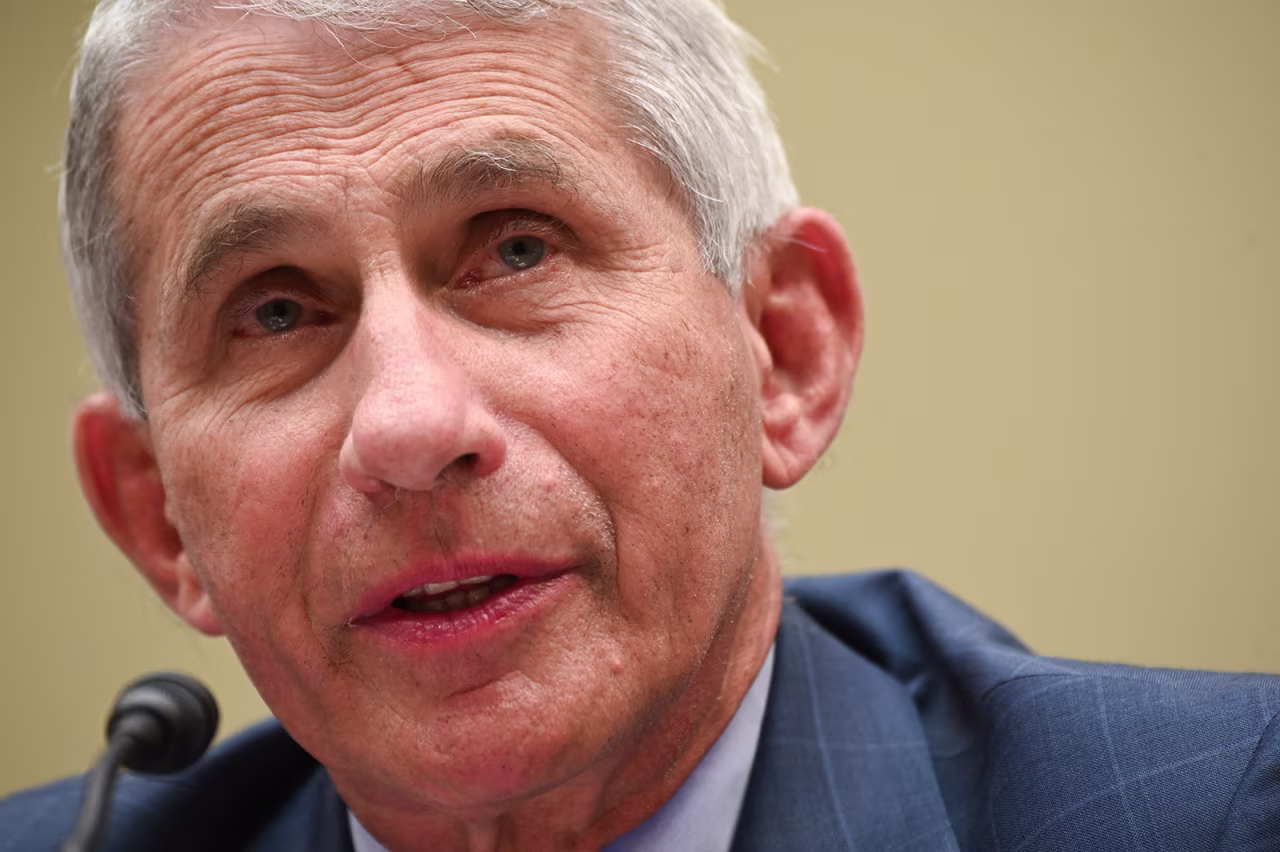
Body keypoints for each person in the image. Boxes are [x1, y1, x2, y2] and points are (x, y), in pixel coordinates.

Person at [1, 1, 1278, 850]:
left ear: (781, 350)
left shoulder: (1207, 813)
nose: (408, 422)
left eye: (514, 247)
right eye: (276, 312)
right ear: (159, 515)